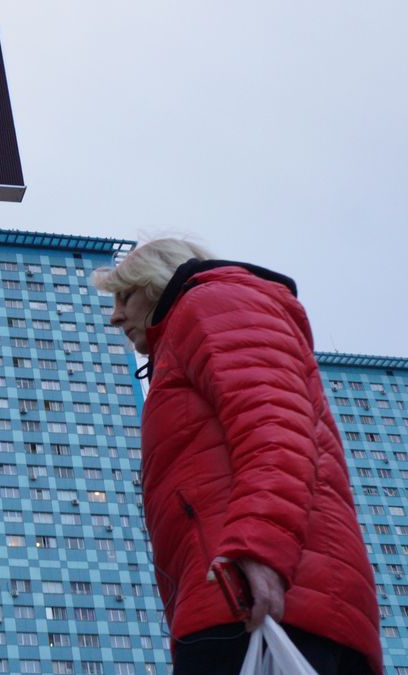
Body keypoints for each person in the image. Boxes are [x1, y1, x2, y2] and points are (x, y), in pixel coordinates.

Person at [92, 239, 381, 674]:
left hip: (259, 597)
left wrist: (260, 547)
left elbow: (274, 425)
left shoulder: (210, 302)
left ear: (157, 282)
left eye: (125, 296)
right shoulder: (193, 328)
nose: (115, 317)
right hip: (261, 596)